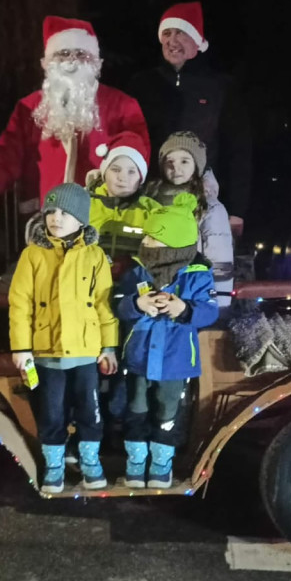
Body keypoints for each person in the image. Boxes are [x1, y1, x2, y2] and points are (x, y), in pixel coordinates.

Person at [0, 16, 150, 213]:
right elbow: (7, 154)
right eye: (63, 53)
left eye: (81, 53)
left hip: (102, 211)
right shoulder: (29, 107)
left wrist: (125, 167)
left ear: (96, 63)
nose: (72, 61)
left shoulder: (122, 104)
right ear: (46, 63)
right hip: (48, 213)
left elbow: (136, 144)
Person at [8, 183, 119, 493]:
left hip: (86, 351)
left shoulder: (95, 255)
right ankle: (54, 465)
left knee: (89, 411)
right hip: (46, 353)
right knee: (51, 412)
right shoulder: (33, 254)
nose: (56, 218)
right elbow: (20, 303)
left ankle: (90, 462)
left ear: (81, 219)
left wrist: (108, 346)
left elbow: (104, 303)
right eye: (51, 211)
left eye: (65, 213)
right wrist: (21, 347)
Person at [113, 193, 219, 488]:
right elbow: (118, 304)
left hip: (175, 361)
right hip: (139, 358)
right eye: (146, 237)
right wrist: (137, 304)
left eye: (154, 238)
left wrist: (184, 309)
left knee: (168, 411)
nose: (146, 243)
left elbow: (210, 311)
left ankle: (161, 465)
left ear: (174, 244)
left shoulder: (198, 275)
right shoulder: (136, 271)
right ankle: (135, 464)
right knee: (136, 409)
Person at [127, 1, 251, 235]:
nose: (172, 41)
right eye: (166, 34)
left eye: (180, 33)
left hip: (202, 202)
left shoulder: (221, 87)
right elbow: (129, 141)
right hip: (149, 199)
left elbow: (238, 151)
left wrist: (236, 210)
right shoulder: (142, 84)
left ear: (197, 40)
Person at [144, 131, 234, 305]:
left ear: (197, 165)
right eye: (169, 162)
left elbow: (220, 260)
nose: (176, 168)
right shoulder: (150, 201)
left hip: (192, 296)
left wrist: (218, 304)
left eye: (184, 161)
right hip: (154, 296)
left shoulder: (210, 208)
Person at [87, 131, 155, 261]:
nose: (122, 177)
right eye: (115, 170)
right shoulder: (84, 205)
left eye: (131, 172)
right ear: (104, 173)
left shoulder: (151, 211)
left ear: (141, 177)